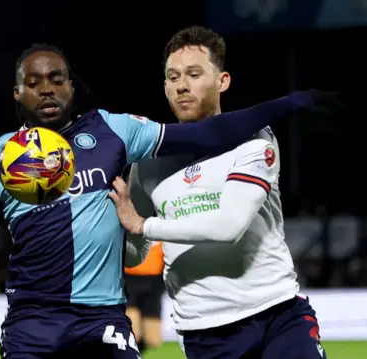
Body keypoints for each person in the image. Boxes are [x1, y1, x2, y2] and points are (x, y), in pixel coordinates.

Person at [0, 43, 334, 359]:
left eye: (57, 79)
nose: (47, 89)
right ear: (17, 93)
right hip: (31, 323)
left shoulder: (115, 133)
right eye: (34, 82)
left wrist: (290, 103)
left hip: (103, 321)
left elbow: (209, 134)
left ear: (72, 86)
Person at [110, 26, 327, 359]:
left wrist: (144, 226)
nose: (182, 85)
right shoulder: (146, 165)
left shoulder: (254, 138)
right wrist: (106, 233)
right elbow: (138, 251)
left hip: (277, 315)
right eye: (173, 77)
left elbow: (228, 225)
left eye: (194, 74)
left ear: (223, 81)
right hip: (204, 331)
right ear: (165, 87)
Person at [123, 241, 165, 353]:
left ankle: (135, 354)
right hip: (129, 281)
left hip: (154, 285)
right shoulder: (130, 229)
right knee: (132, 333)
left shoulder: (164, 233)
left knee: (153, 340)